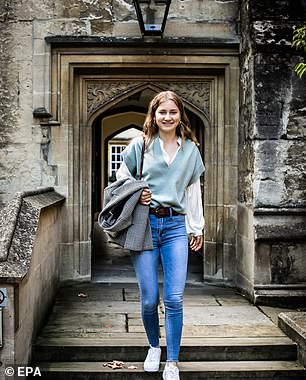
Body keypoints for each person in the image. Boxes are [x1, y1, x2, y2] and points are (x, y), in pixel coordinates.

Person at [116, 90, 205, 380]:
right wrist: (137, 192)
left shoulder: (191, 149)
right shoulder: (139, 146)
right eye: (162, 112)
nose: (167, 117)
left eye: (173, 112)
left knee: (175, 298)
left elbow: (193, 191)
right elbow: (120, 179)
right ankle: (154, 346)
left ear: (181, 116)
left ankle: (173, 361)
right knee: (148, 298)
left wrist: (196, 227)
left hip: (176, 227)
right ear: (153, 115)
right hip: (145, 226)